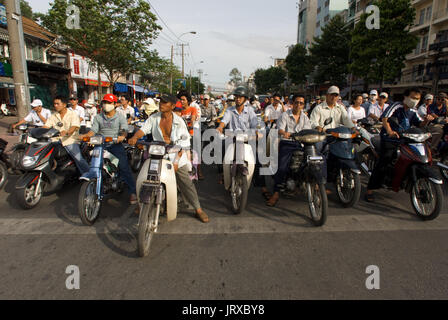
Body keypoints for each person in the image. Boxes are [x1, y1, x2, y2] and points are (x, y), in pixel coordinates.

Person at [128, 94, 209, 223]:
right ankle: (141, 203)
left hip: (176, 154)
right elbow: (143, 130)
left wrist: (176, 161)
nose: (161, 104)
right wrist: (135, 137)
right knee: (145, 176)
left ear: (172, 106)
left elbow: (184, 144)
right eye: (161, 102)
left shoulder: (179, 121)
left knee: (185, 181)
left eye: (165, 103)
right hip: (157, 153)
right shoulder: (153, 118)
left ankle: (198, 208)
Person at [365, 88, 434, 202]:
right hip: (390, 140)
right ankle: (370, 189)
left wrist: (426, 120)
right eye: (413, 98)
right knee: (385, 161)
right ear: (405, 97)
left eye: (417, 99)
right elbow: (385, 118)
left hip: (405, 140)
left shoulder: (413, 111)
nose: (415, 101)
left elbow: (418, 124)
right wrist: (390, 131)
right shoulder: (396, 106)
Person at [79, 94, 137, 205]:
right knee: (92, 163)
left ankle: (132, 191)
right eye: (105, 102)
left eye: (109, 103)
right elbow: (93, 131)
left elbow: (124, 129)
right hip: (100, 145)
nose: (106, 105)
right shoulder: (98, 117)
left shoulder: (120, 117)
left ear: (115, 104)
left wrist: (122, 136)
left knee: (124, 167)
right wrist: (85, 136)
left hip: (115, 145)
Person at [266, 94, 312, 207]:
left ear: (303, 105)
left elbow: (308, 130)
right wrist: (285, 133)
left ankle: (317, 186)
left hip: (301, 144)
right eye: (296, 102)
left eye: (301, 103)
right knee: (282, 167)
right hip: (287, 143)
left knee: (314, 161)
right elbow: (280, 129)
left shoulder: (305, 117)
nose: (298, 105)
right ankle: (276, 193)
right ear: (292, 103)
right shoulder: (285, 115)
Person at [216, 86, 259, 184]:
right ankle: (224, 173)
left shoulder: (250, 111)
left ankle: (262, 186)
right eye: (236, 97)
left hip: (247, 139)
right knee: (222, 149)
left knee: (257, 159)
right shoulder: (229, 110)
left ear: (245, 99)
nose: (238, 99)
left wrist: (257, 132)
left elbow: (255, 124)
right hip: (232, 138)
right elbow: (224, 121)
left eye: (240, 97)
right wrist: (220, 127)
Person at [43, 96, 90, 175]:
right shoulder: (53, 115)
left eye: (58, 104)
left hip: (70, 140)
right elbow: (46, 126)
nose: (55, 106)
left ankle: (89, 176)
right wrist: (38, 132)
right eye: (54, 104)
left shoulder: (72, 114)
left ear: (64, 104)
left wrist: (67, 132)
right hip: (55, 140)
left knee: (78, 159)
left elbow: (74, 126)